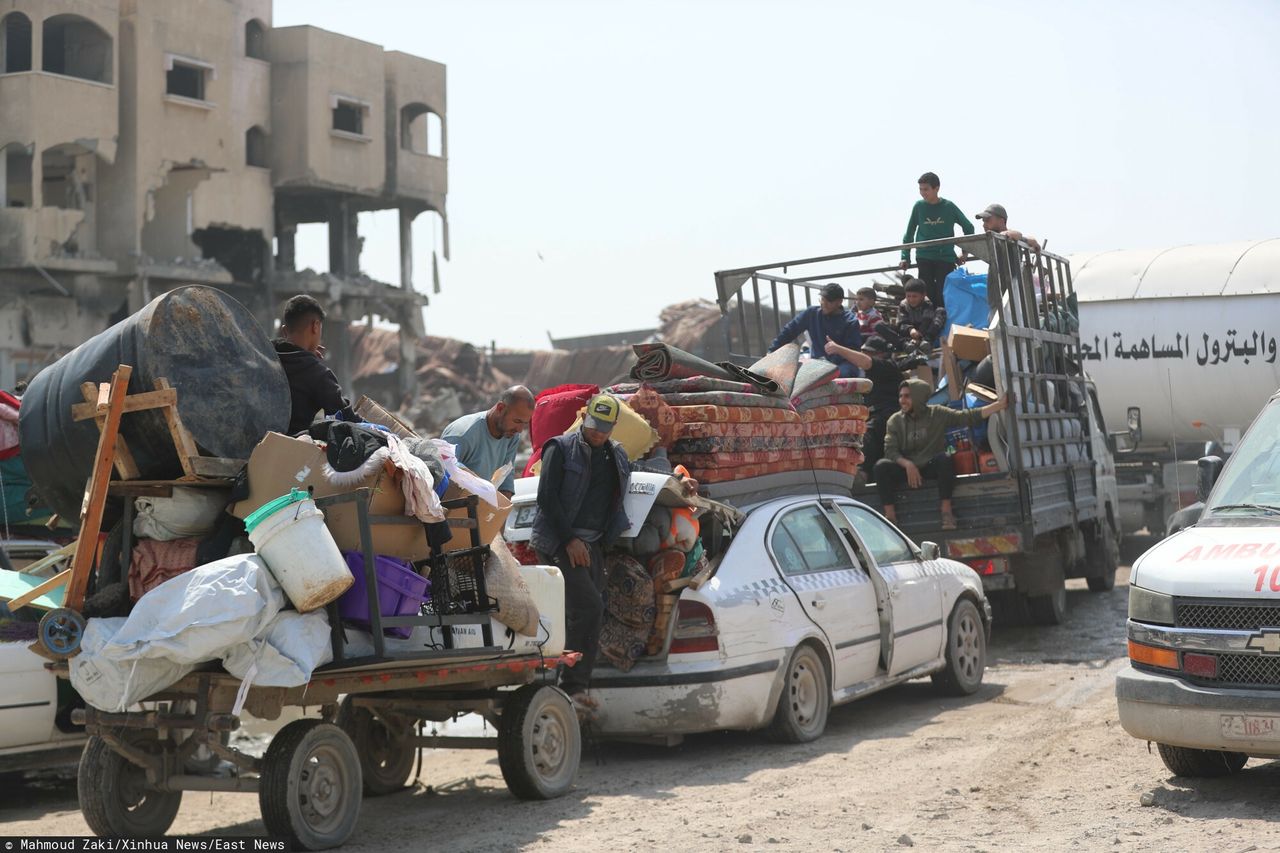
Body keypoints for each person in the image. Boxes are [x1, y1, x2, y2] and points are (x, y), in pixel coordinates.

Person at [531, 393, 632, 715]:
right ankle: (571, 687)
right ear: (584, 416)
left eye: (604, 427)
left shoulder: (616, 455)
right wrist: (570, 540)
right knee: (588, 607)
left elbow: (634, 478)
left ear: (614, 426)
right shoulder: (559, 448)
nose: (597, 432)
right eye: (593, 424)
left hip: (594, 546)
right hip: (559, 543)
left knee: (582, 611)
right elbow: (547, 498)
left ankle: (566, 685)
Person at [874, 378, 1009, 530]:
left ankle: (946, 512)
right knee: (881, 467)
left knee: (945, 459)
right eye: (900, 396)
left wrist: (999, 405)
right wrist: (907, 464)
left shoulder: (937, 414)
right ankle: (890, 518)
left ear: (918, 397)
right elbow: (890, 450)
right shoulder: (895, 421)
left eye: (907, 396)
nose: (902, 400)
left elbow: (966, 416)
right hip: (908, 471)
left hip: (930, 467)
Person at [273, 295, 356, 434]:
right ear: (315, 326)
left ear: (284, 330)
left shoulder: (264, 354)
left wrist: (302, 352)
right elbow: (346, 419)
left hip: (251, 445)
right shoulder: (317, 374)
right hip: (288, 450)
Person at [823, 335, 903, 477]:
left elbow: (866, 362)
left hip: (888, 417)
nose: (865, 355)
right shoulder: (867, 379)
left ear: (881, 354)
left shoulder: (888, 367)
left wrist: (837, 349)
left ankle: (862, 474)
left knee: (866, 435)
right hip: (872, 418)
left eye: (870, 352)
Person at [440, 386, 536, 498]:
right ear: (500, 408)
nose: (519, 429)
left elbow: (506, 477)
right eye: (517, 421)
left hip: (481, 507)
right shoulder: (462, 434)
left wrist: (501, 510)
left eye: (524, 424)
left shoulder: (511, 436)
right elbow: (442, 476)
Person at [899, 172, 974, 308]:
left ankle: (944, 325)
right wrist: (905, 257)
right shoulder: (919, 207)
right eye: (920, 189)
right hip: (924, 257)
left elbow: (968, 227)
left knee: (943, 294)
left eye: (926, 189)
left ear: (936, 188)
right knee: (926, 296)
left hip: (945, 257)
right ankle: (929, 326)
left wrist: (965, 253)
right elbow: (909, 233)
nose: (923, 193)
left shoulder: (948, 206)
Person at [769, 282, 862, 377]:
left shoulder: (850, 321)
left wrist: (838, 349)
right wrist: (771, 353)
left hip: (843, 364)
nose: (823, 304)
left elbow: (854, 352)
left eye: (829, 301)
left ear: (840, 302)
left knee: (843, 374)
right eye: (822, 299)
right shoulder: (812, 313)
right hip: (818, 363)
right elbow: (789, 331)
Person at [877, 279, 947, 354]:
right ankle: (905, 344)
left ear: (923, 295)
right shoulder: (903, 305)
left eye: (914, 296)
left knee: (941, 311)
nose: (911, 299)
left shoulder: (927, 304)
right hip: (908, 334)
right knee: (880, 326)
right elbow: (902, 323)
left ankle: (927, 341)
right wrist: (910, 330)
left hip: (924, 332)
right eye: (908, 296)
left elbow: (926, 322)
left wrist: (919, 337)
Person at [975, 203, 1040, 251]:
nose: (984, 225)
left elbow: (1017, 234)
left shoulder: (1011, 237)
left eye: (987, 220)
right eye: (983, 221)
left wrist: (1005, 235)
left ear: (1001, 221)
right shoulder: (989, 240)